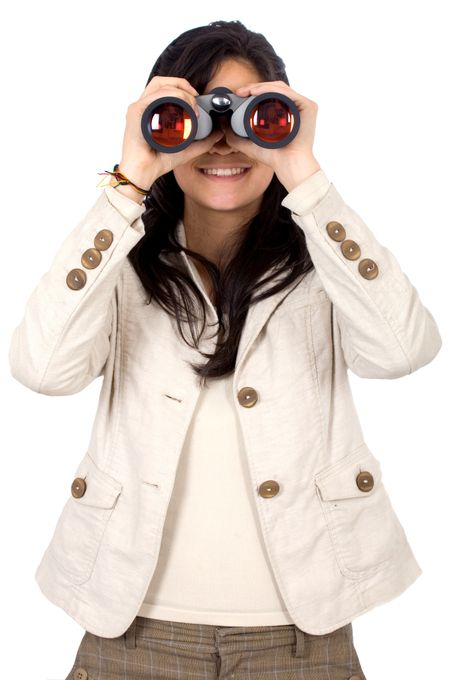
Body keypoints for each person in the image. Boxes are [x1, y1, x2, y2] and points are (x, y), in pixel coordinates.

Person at [8, 18, 442, 680]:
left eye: (250, 116)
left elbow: (403, 350)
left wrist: (303, 173)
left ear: (281, 120)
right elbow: (42, 369)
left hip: (300, 634)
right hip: (131, 630)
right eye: (194, 117)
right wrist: (127, 181)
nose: (222, 143)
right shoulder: (117, 263)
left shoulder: (326, 261)